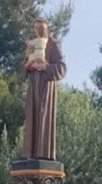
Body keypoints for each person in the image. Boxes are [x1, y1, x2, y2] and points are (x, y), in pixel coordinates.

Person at [22, 18, 67, 160]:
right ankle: (31, 153)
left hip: (46, 86)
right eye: (35, 28)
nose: (38, 31)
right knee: (32, 118)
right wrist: (29, 64)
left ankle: (43, 155)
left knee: (43, 116)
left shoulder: (53, 45)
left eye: (40, 28)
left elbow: (62, 68)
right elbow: (24, 68)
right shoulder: (33, 44)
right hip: (34, 85)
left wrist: (46, 67)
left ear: (46, 29)